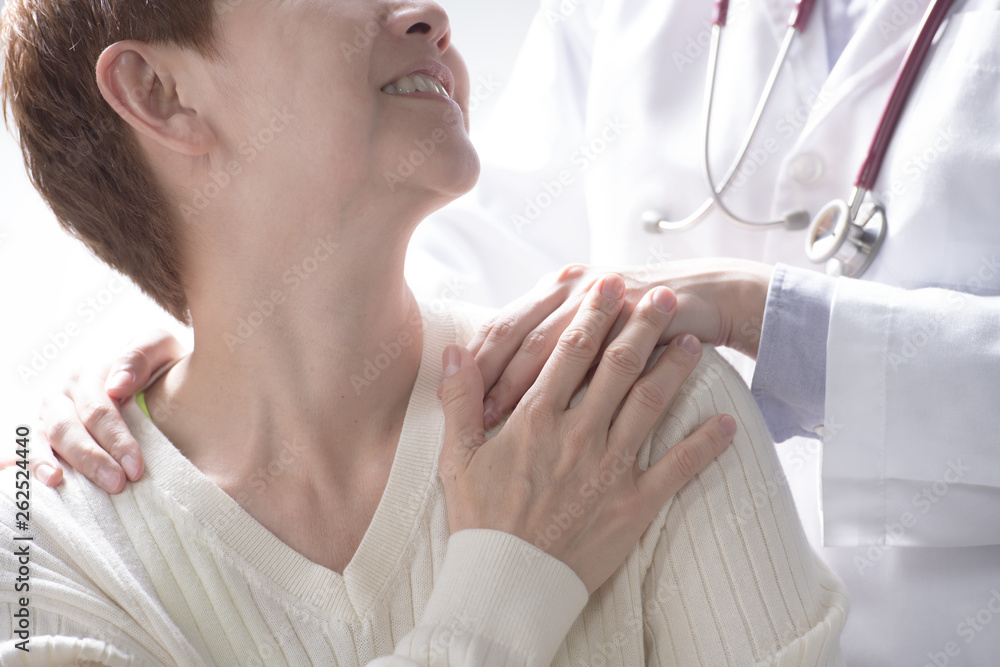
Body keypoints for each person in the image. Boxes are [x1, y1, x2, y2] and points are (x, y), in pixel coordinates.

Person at [37, 0, 1000, 663]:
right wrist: (212, 328)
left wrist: (768, 318)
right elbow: (457, 226)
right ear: (157, 97)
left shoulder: (664, 399)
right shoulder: (36, 541)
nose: (431, 17)